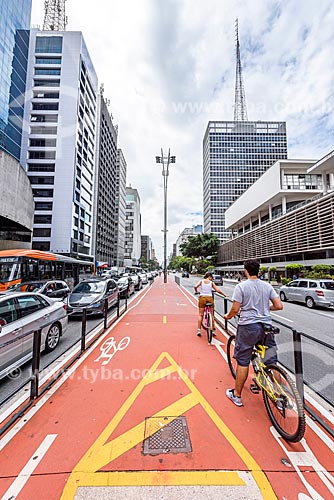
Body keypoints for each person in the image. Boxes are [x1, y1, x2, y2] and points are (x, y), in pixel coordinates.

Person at [223, 259, 283, 407]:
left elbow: (235, 309)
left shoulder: (241, 286)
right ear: (258, 270)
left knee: (243, 360)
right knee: (271, 361)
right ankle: (279, 397)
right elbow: (279, 306)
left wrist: (228, 316)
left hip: (248, 327)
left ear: (246, 271)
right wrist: (264, 308)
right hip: (266, 327)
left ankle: (236, 395)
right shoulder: (267, 286)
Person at [194, 271, 227, 337]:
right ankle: (213, 330)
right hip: (209, 298)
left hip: (202, 298)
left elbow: (195, 286)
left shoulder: (201, 281)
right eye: (212, 277)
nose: (212, 279)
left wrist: (196, 291)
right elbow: (218, 290)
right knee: (212, 315)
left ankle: (199, 330)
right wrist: (224, 294)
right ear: (209, 277)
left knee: (200, 315)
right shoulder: (211, 283)